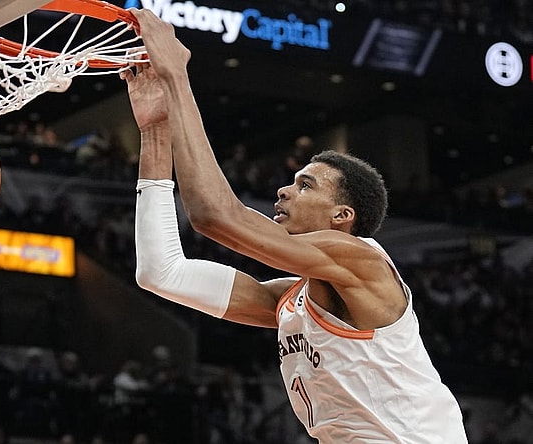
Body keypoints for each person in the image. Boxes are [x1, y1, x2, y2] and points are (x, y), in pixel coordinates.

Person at [122, 8, 468, 443]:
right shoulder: (290, 303)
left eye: (305, 186)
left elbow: (216, 216)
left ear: (342, 217)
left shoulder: (362, 260)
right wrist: (155, 131)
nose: (284, 191)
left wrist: (176, 78)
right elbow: (161, 273)